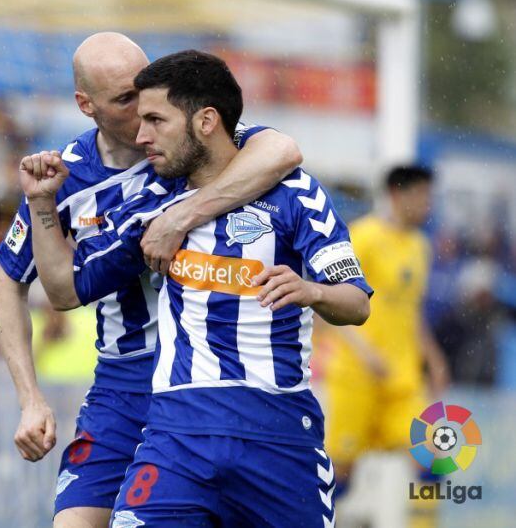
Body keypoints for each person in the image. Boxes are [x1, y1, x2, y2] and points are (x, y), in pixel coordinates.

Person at [21, 49, 371, 527]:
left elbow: (355, 304)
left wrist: (313, 292)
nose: (141, 136)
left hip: (278, 434)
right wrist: (43, 205)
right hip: (177, 434)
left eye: (156, 121)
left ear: (206, 120)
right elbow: (66, 290)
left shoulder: (298, 195)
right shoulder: (151, 208)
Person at [321, 165, 449, 527]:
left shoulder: (420, 246)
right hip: (357, 377)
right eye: (421, 195)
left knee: (435, 456)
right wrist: (363, 350)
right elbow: (331, 303)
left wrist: (433, 356)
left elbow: (410, 310)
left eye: (429, 196)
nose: (427, 204)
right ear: (397, 194)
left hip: (402, 378)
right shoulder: (363, 236)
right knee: (341, 476)